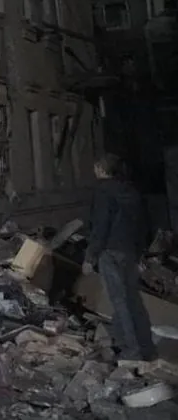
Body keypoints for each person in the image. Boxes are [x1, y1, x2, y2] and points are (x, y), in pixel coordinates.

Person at [83, 154, 156, 362]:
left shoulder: (103, 192)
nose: (94, 171)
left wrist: (90, 256)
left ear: (101, 169)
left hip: (110, 251)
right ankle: (147, 348)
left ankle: (131, 350)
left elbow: (101, 225)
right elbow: (144, 224)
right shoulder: (131, 191)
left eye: (96, 167)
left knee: (119, 301)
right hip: (129, 252)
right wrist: (140, 252)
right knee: (133, 300)